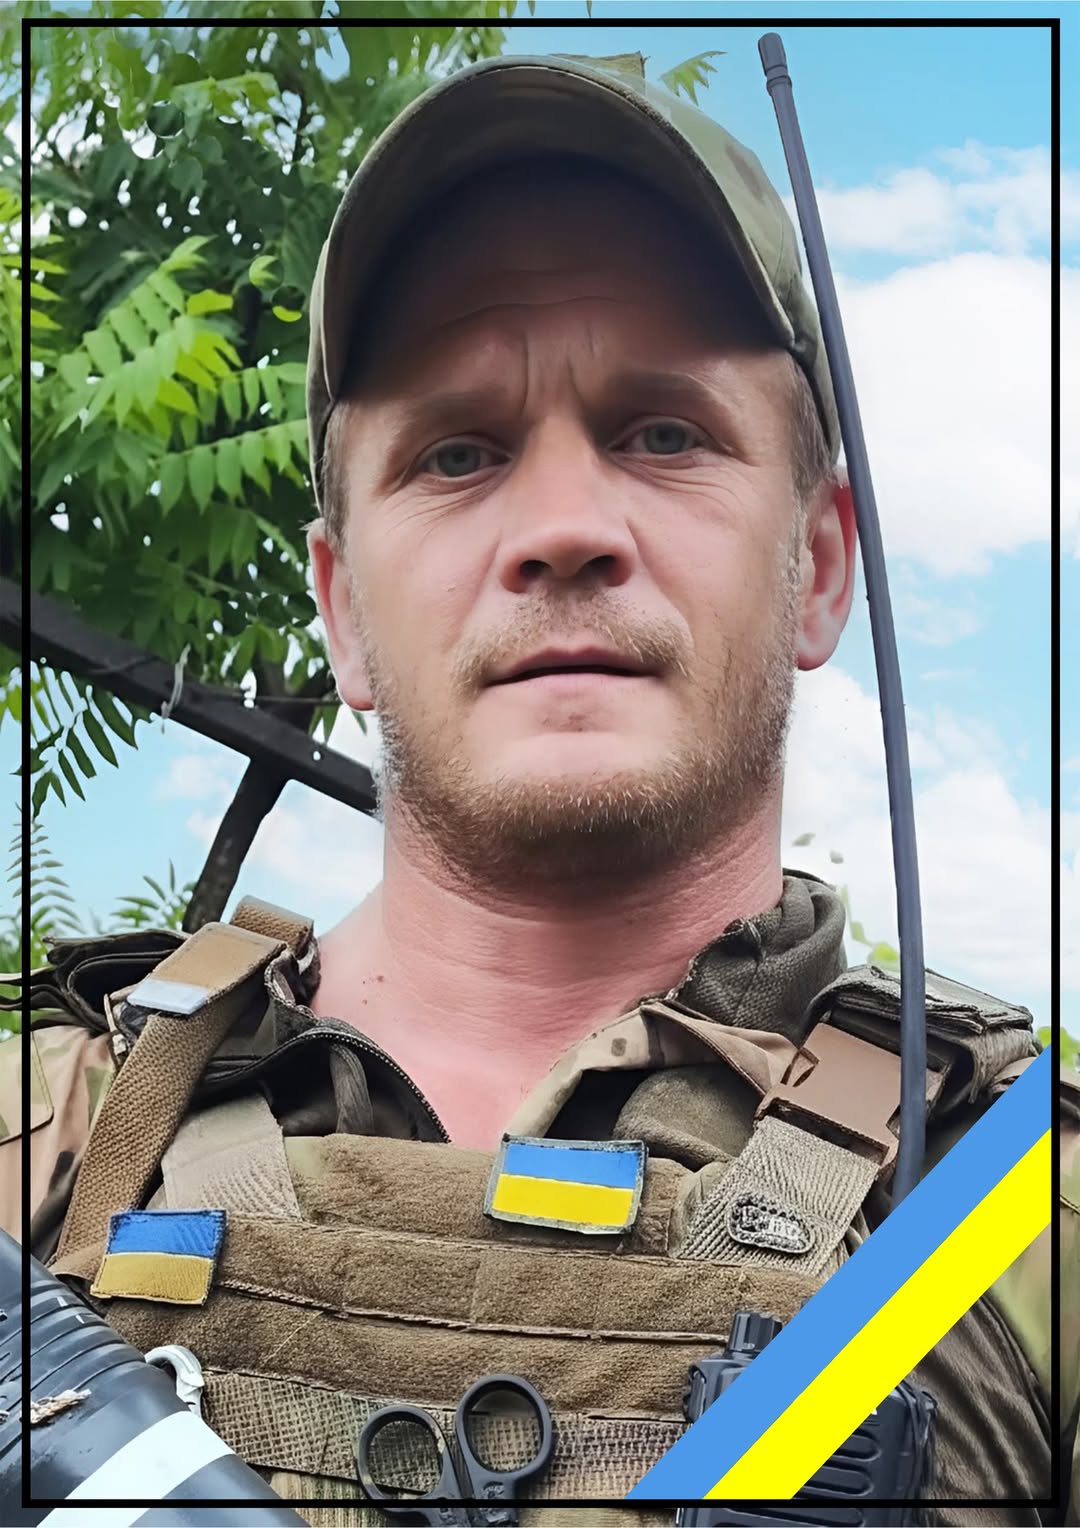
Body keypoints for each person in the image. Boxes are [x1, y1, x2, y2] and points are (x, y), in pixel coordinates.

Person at [6, 50, 1076, 1525]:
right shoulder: (43, 1135)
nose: (565, 525)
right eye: (458, 453)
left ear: (822, 565)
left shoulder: (1022, 1213)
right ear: (342, 613)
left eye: (664, 433)